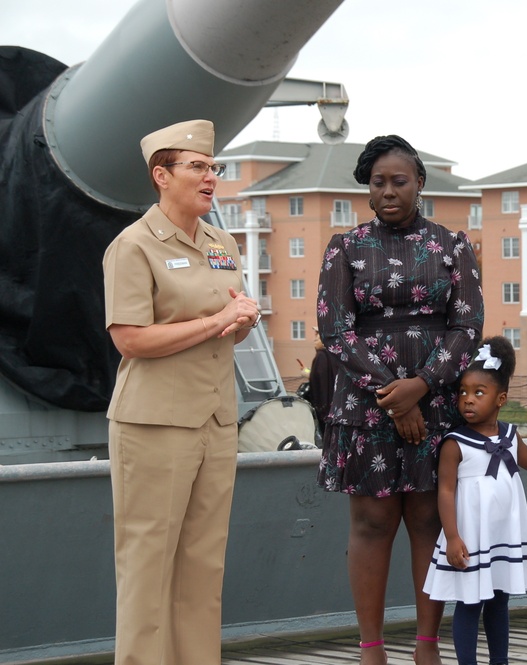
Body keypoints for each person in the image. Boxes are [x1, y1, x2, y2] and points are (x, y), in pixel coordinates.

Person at [316, 134, 484, 665]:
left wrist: (423, 386)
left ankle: (427, 645)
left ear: (420, 184)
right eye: (378, 182)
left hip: (435, 403)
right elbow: (336, 331)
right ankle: (371, 648)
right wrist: (397, 397)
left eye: (399, 180)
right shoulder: (344, 247)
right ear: (367, 190)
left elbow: (468, 326)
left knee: (429, 521)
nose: (388, 191)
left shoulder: (453, 245)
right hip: (367, 408)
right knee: (370, 523)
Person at [102, 119, 261, 665]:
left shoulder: (221, 242)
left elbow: (228, 320)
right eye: (197, 167)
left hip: (215, 421)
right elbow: (130, 340)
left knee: (202, 564)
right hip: (155, 424)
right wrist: (219, 319)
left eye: (213, 167)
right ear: (161, 175)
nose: (210, 176)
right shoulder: (133, 246)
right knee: (148, 565)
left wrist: (240, 319)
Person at [423, 336, 527, 665]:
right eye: (463, 392)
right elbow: (445, 491)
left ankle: (499, 661)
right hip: (471, 536)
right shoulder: (455, 443)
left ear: (501, 398)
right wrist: (452, 536)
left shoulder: (508, 434)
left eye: (479, 392)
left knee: (499, 599)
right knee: (469, 602)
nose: (468, 400)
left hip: (503, 534)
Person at [307, 326, 335, 440]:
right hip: (333, 408)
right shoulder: (332, 355)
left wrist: (321, 408)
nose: (315, 339)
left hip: (323, 409)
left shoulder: (321, 356)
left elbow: (321, 383)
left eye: (317, 337)